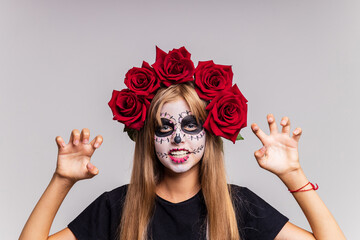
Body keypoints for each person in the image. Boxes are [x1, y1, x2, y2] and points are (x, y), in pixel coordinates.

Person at [19, 47, 345, 240]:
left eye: (190, 125)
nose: (177, 138)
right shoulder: (116, 207)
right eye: (164, 127)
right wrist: (61, 181)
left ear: (210, 132)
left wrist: (293, 174)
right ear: (148, 137)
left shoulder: (238, 207)